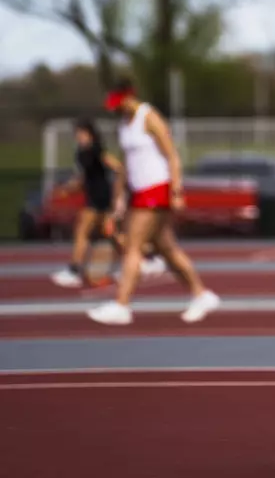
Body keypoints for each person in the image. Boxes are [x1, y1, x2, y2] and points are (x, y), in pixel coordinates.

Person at [87, 81, 220, 326]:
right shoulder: (123, 126)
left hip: (157, 189)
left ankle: (122, 305)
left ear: (129, 97)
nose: (115, 109)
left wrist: (177, 190)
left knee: (133, 246)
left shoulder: (149, 118)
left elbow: (172, 155)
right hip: (138, 192)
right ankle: (201, 295)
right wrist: (119, 197)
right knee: (167, 249)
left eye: (118, 103)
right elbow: (125, 165)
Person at [51, 119, 125, 288]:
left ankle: (74, 271)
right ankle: (135, 263)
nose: (79, 136)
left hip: (101, 196)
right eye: (77, 133)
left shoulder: (97, 150)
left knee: (82, 231)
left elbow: (118, 167)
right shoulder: (80, 153)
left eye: (82, 133)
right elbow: (82, 178)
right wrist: (66, 189)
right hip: (94, 195)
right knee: (112, 234)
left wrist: (119, 192)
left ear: (90, 134)